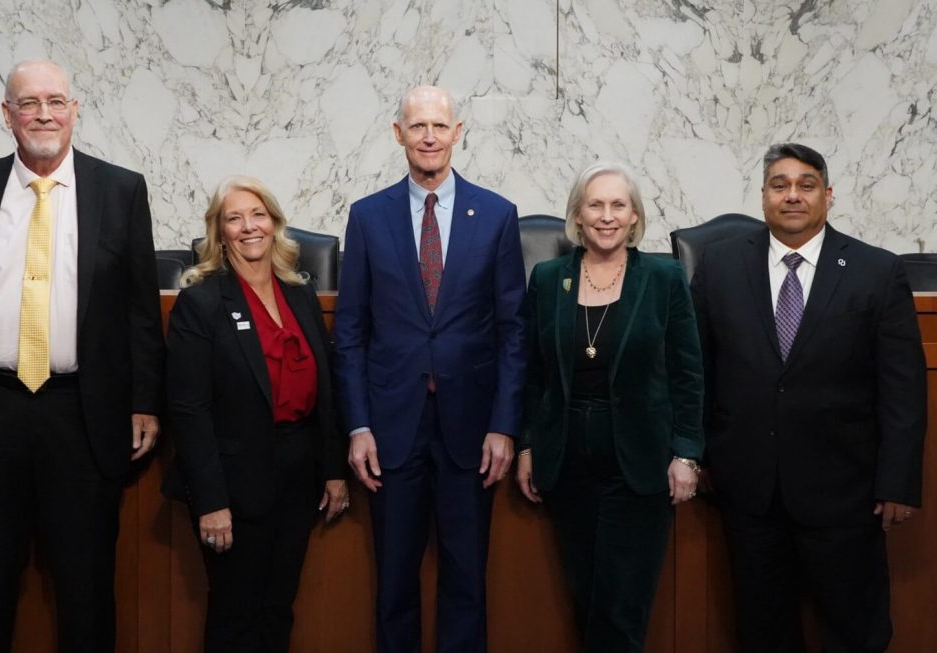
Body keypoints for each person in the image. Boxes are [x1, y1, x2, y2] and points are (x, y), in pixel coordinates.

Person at [0, 59, 164, 651]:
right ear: (6, 115)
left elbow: (140, 311)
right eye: (28, 103)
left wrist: (144, 401)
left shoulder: (120, 189)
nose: (43, 115)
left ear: (75, 110)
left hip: (81, 413)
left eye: (56, 101)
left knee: (86, 589)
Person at [691, 142, 927, 653]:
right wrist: (701, 453)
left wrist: (898, 481)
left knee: (854, 629)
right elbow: (699, 370)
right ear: (762, 197)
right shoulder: (720, 266)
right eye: (780, 185)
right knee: (762, 630)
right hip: (749, 489)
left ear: (828, 195)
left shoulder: (877, 271)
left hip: (846, 491)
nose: (792, 196)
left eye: (806, 185)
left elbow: (903, 388)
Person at [334, 85, 527, 653]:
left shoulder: (496, 215)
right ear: (398, 134)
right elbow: (350, 334)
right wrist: (358, 426)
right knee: (394, 584)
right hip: (391, 430)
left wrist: (504, 424)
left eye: (439, 127)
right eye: (417, 126)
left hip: (472, 429)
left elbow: (513, 330)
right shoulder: (367, 218)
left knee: (466, 581)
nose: (428, 137)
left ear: (458, 132)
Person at [515, 162, 704, 652]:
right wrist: (529, 446)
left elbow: (688, 372)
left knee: (621, 607)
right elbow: (534, 374)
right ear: (577, 216)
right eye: (595, 205)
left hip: (638, 463)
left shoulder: (663, 278)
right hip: (567, 460)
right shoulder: (549, 277)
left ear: (635, 216)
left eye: (618, 205)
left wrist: (686, 453)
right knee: (586, 598)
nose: (606, 216)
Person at [163, 175, 348, 652]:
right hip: (233, 481)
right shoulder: (201, 302)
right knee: (235, 613)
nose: (249, 227)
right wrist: (210, 501)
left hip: (297, 470)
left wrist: (332, 469)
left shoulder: (300, 293)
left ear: (275, 223)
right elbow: (189, 409)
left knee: (278, 607)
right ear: (219, 232)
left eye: (258, 215)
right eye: (234, 218)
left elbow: (327, 388)